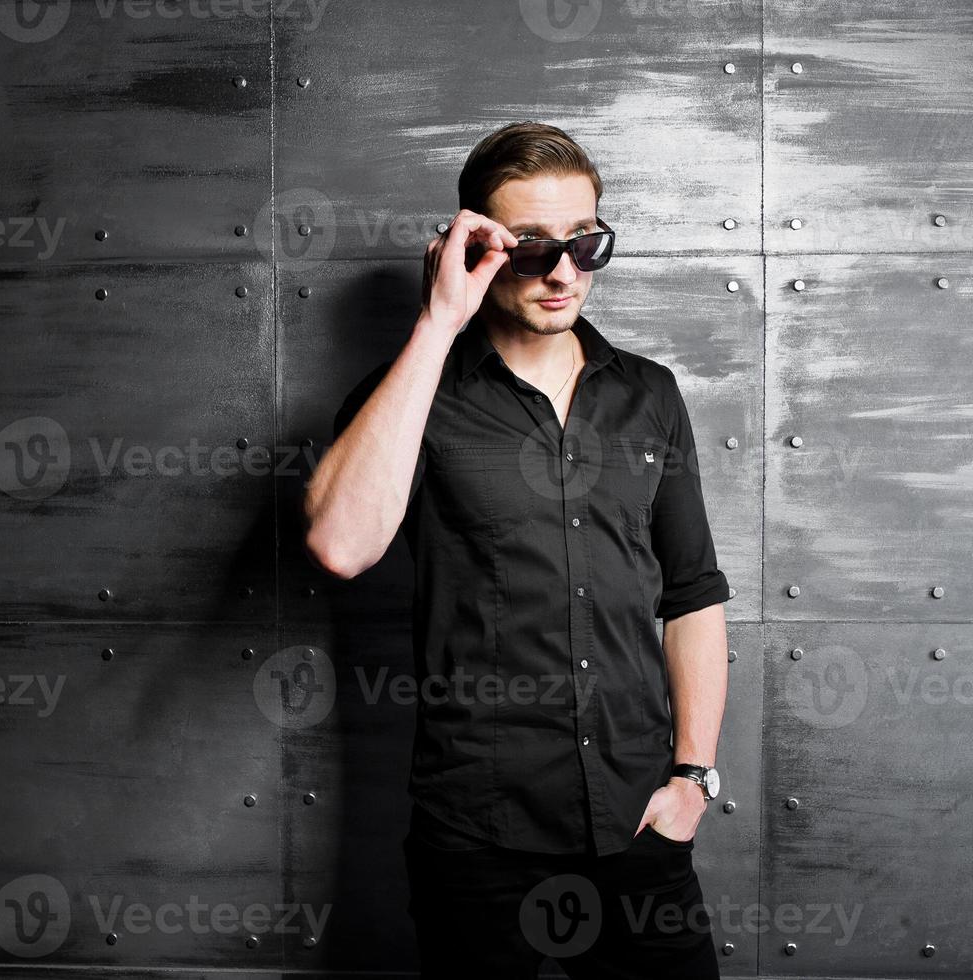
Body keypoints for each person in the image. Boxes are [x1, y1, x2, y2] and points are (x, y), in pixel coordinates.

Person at [302, 120, 729, 979]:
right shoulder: (412, 398)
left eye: (584, 244)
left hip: (638, 819)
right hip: (480, 833)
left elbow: (690, 594)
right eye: (531, 247)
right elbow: (341, 547)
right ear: (476, 246)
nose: (563, 272)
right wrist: (435, 323)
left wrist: (691, 777)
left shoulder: (649, 395)